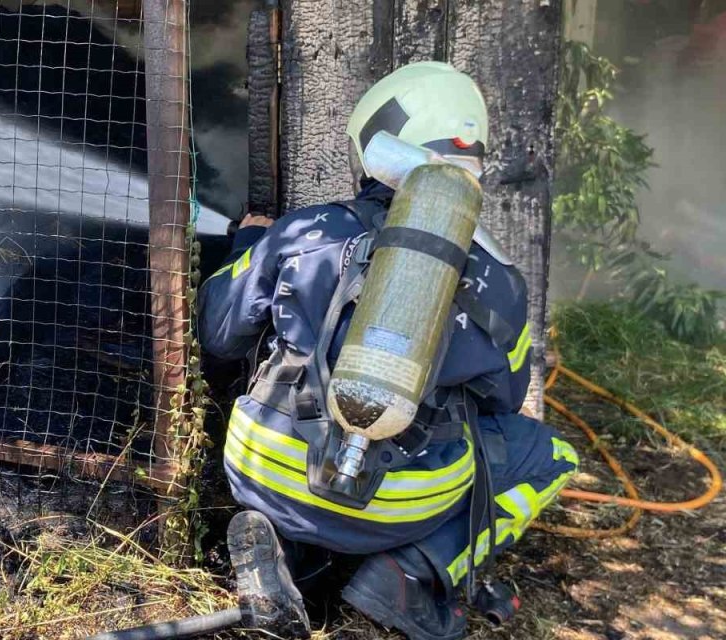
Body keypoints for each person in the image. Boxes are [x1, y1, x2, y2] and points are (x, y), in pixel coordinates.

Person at [199, 62, 579, 640]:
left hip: (265, 471)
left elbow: (218, 330)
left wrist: (252, 241)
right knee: (550, 456)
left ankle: (284, 548)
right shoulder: (501, 278)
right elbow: (504, 401)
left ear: (377, 146)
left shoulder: (308, 230)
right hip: (403, 505)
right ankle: (407, 571)